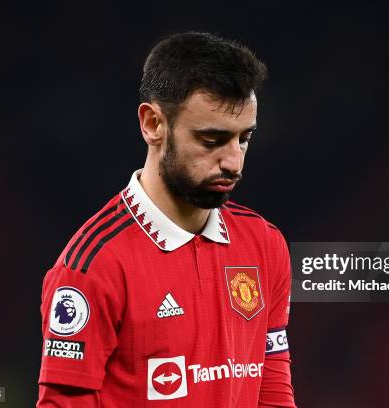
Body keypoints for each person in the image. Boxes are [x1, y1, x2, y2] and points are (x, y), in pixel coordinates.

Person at [37, 31, 295, 407]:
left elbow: (272, 391)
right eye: (211, 140)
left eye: (244, 139)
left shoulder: (264, 244)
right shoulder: (93, 267)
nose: (233, 161)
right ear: (153, 124)